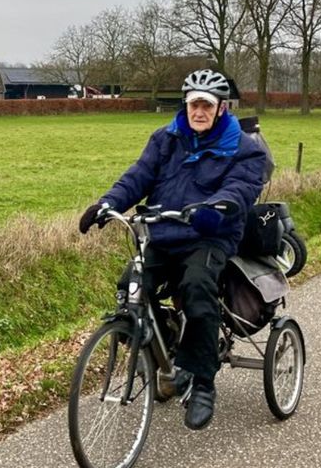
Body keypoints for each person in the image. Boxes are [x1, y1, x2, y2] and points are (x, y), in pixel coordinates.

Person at [78, 69, 267, 430]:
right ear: (186, 104)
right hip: (162, 231)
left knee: (196, 288)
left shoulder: (243, 149)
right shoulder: (165, 138)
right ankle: (165, 355)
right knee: (129, 288)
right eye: (194, 103)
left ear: (221, 108)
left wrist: (216, 209)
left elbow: (241, 190)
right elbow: (139, 176)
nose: (199, 111)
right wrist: (107, 203)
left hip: (209, 235)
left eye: (206, 106)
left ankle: (201, 382)